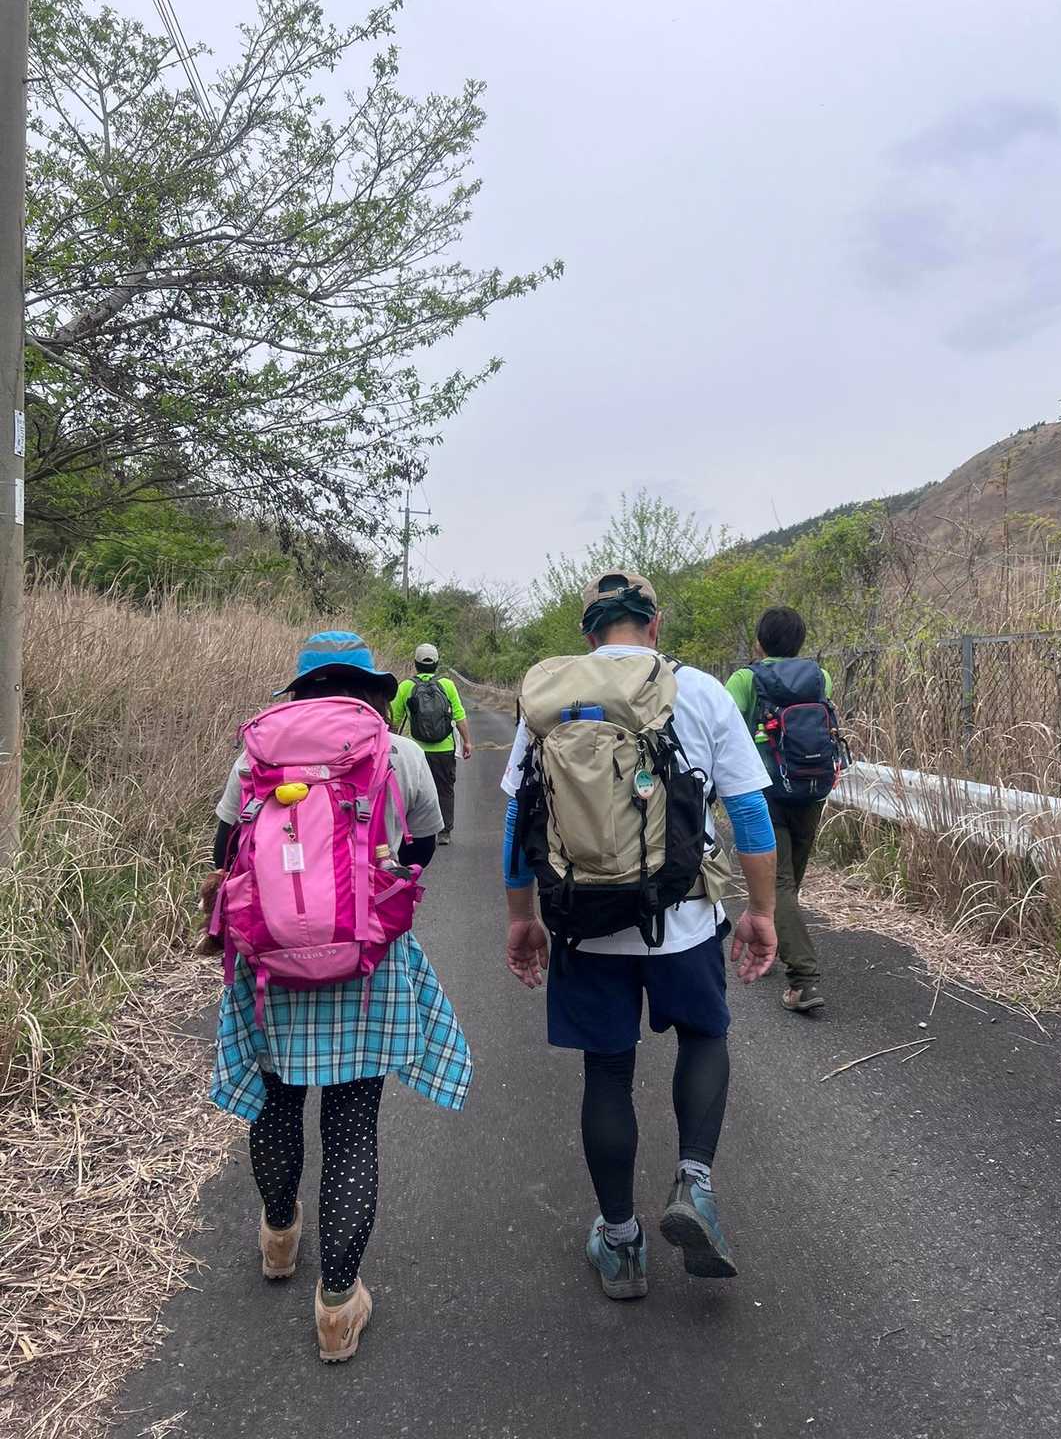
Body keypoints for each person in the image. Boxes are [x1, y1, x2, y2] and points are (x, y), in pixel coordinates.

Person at [501, 572, 778, 1301]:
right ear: (655, 625)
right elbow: (750, 815)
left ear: (589, 632)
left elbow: (518, 821)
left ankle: (621, 1244)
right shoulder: (702, 691)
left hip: (584, 924)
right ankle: (694, 1182)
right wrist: (762, 911)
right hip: (683, 920)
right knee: (704, 1037)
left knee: (607, 1072)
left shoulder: (552, 698)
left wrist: (521, 918)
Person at [201, 632, 472, 1362]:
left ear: (301, 689)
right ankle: (337, 1307)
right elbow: (420, 851)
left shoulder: (256, 757)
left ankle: (279, 1238)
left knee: (276, 1105)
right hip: (366, 962)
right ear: (369, 688)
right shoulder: (398, 752)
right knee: (352, 1129)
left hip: (269, 965)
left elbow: (225, 852)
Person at [725, 606, 835, 1014]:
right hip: (812, 786)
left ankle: (802, 981)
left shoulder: (745, 679)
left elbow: (723, 730)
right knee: (788, 880)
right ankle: (771, 939)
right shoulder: (820, 676)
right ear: (801, 641)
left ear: (759, 642)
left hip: (765, 790)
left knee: (779, 883)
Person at [390, 643, 473, 846]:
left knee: (416, 791)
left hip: (416, 751)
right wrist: (467, 742)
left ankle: (417, 832)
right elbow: (459, 715)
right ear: (436, 663)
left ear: (415, 663)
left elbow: (393, 720)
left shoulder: (405, 686)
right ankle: (444, 832)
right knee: (445, 789)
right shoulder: (447, 685)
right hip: (445, 749)